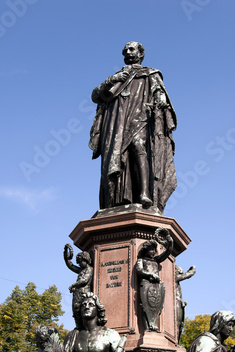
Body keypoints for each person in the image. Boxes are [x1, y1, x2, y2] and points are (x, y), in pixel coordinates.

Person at [89, 41, 177, 212]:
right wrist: (112, 80)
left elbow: (159, 89)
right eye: (125, 51)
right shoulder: (117, 76)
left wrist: (161, 98)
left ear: (140, 53)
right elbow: (95, 95)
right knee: (117, 158)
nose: (128, 53)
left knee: (138, 146)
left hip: (139, 118)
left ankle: (145, 193)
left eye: (131, 49)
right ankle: (115, 198)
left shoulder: (150, 73)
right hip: (117, 123)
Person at [136, 229, 173, 331]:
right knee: (145, 305)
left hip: (156, 286)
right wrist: (150, 274)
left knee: (156, 306)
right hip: (146, 284)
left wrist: (171, 242)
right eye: (151, 250)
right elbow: (139, 270)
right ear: (146, 250)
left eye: (154, 250)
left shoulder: (156, 260)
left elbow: (168, 252)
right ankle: (147, 327)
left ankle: (153, 324)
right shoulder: (141, 260)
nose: (153, 252)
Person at [63, 244, 93, 328]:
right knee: (76, 312)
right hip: (77, 294)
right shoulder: (81, 270)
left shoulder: (89, 269)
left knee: (83, 311)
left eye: (80, 262)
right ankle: (79, 328)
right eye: (78, 262)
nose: (79, 264)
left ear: (86, 259)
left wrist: (73, 284)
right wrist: (66, 253)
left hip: (84, 293)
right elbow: (70, 265)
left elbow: (84, 280)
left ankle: (84, 328)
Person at [175, 265, 196, 344]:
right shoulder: (174, 277)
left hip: (179, 303)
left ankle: (177, 341)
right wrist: (193, 269)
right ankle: (175, 342)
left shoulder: (176, 281)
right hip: (176, 303)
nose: (180, 274)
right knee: (177, 324)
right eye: (180, 272)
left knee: (180, 324)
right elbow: (188, 275)